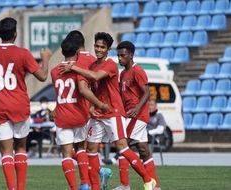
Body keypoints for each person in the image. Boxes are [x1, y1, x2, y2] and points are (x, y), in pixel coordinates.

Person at [59, 32, 156, 190]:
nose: (98, 49)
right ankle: (96, 187)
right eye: (97, 46)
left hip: (113, 112)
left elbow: (96, 77)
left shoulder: (110, 64)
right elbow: (92, 88)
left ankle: (147, 179)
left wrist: (73, 67)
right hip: (99, 113)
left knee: (122, 147)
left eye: (102, 47)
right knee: (90, 149)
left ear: (108, 49)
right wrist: (91, 107)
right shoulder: (91, 66)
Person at [0, 17, 51, 190]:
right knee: (20, 146)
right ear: (15, 34)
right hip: (19, 106)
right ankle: (21, 188)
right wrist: (45, 58)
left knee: (5, 151)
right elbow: (42, 76)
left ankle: (11, 188)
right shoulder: (23, 53)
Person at [51, 37, 110, 190]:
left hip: (62, 115)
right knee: (81, 149)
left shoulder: (54, 71)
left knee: (66, 154)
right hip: (79, 114)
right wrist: (98, 105)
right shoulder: (78, 69)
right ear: (78, 52)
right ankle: (85, 183)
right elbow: (84, 90)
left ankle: (74, 187)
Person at [116, 41, 161, 190]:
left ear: (131, 55)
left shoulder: (137, 71)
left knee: (123, 145)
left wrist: (136, 108)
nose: (120, 59)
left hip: (137, 115)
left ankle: (125, 185)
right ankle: (156, 186)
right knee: (143, 150)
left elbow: (147, 92)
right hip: (129, 115)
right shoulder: (123, 73)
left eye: (122, 56)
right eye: (118, 56)